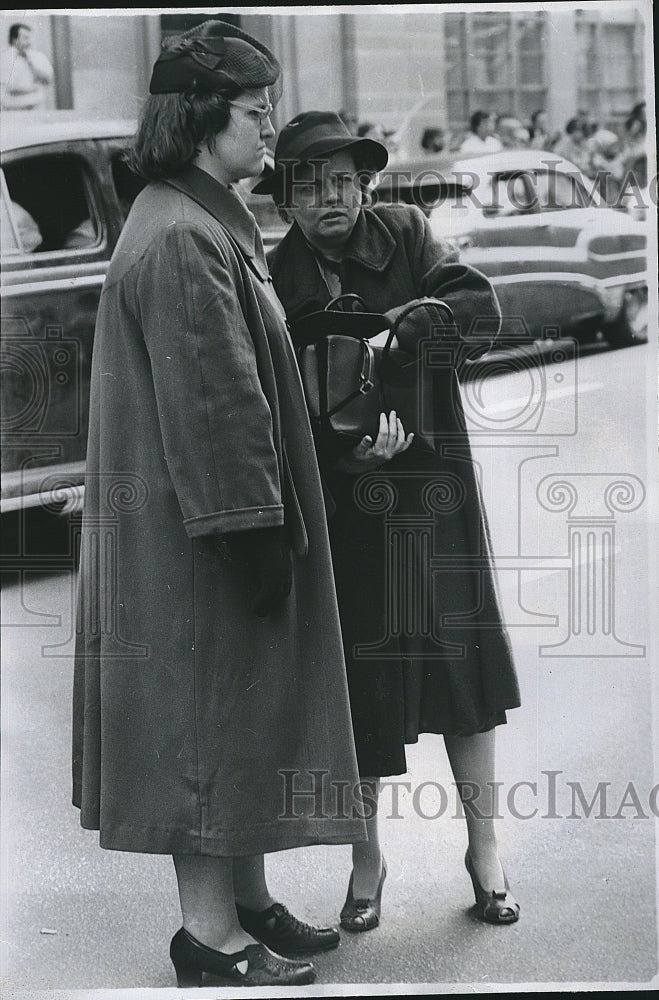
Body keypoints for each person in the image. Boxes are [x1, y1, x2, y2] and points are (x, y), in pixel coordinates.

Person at [72, 23, 366, 989]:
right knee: (205, 725)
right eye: (256, 109)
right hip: (202, 533)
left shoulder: (188, 217)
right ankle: (209, 937)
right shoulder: (185, 237)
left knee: (234, 719)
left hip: (190, 526)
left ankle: (247, 900)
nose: (271, 124)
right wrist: (249, 531)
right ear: (202, 120)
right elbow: (216, 409)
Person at [254, 111, 521, 932]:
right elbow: (277, 408)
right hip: (350, 515)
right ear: (286, 201)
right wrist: (347, 459)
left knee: (463, 685)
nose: (328, 197)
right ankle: (365, 862)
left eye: (341, 180)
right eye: (308, 184)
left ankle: (486, 854)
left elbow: (477, 308)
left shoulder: (405, 232)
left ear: (365, 185)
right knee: (360, 698)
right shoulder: (276, 275)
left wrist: (406, 327)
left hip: (432, 498)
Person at [0, 22, 53, 111]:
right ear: (14, 39)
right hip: (13, 109)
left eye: (30, 38)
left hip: (36, 107)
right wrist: (31, 89)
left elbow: (48, 80)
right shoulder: (4, 58)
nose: (29, 42)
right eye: (25, 38)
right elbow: (6, 87)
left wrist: (31, 63)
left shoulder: (38, 56)